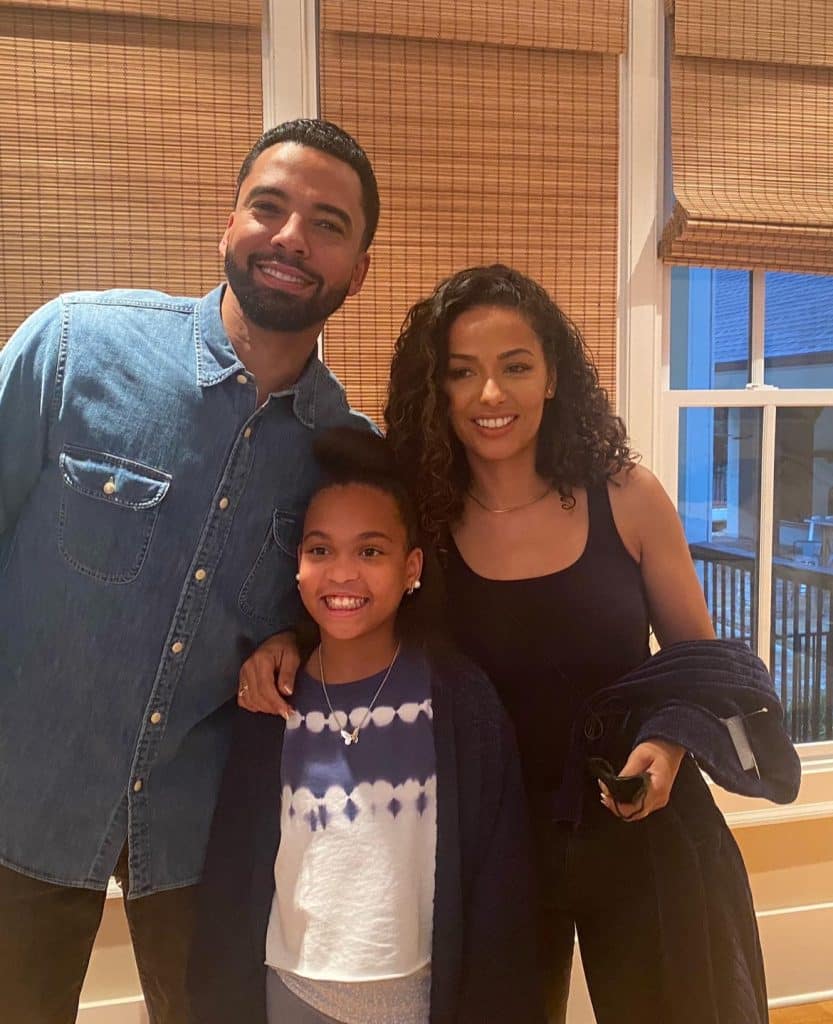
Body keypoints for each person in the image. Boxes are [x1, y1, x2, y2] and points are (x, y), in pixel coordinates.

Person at [243, 265, 800, 1024]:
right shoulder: (420, 517)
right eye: (461, 373)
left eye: (514, 368)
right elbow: (348, 598)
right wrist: (286, 641)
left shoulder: (626, 495)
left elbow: (696, 667)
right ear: (435, 389)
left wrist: (667, 749)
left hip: (640, 826)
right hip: (490, 844)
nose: (490, 396)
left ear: (552, 379)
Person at [0, 118, 378, 1023]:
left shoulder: (348, 456)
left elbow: (350, 604)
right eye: (269, 207)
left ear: (358, 269)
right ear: (228, 224)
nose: (292, 237)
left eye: (328, 224)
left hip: (201, 835)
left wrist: (296, 634)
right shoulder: (72, 349)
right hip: (21, 798)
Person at [188, 428, 545, 1024]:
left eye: (371, 551)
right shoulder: (271, 704)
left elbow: (500, 889)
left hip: (421, 1000)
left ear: (412, 568)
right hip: (291, 995)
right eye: (320, 550)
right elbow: (233, 880)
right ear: (298, 568)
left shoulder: (460, 703)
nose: (343, 575)